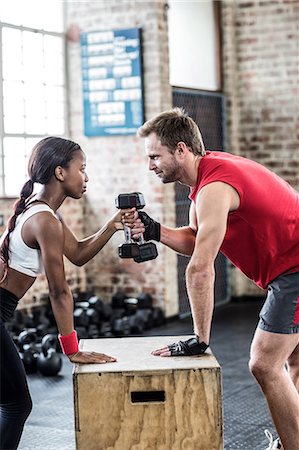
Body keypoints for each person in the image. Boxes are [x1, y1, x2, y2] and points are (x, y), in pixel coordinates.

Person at [132, 108, 299, 450]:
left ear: (181, 149)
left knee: (264, 364)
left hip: (295, 270)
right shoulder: (209, 177)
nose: (150, 165)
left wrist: (199, 338)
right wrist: (154, 230)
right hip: (290, 268)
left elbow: (199, 267)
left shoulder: (215, 187)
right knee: (293, 359)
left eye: (154, 156)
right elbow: (197, 237)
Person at [0, 136, 135, 450]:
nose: (86, 177)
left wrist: (112, 225)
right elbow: (59, 291)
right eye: (82, 169)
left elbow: (76, 253)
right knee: (16, 405)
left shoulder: (44, 213)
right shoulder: (44, 219)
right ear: (60, 173)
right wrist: (71, 348)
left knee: (11, 403)